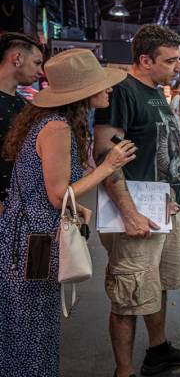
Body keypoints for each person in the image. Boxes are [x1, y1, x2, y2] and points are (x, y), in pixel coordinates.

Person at [0, 48, 135, 376]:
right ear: (81, 92)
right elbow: (59, 194)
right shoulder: (58, 128)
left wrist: (80, 210)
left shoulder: (49, 123)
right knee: (33, 326)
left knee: (24, 323)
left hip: (25, 235)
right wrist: (108, 166)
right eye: (101, 84)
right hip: (35, 241)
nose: (108, 89)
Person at [93, 24, 180, 377]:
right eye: (170, 61)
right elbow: (106, 154)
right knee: (128, 294)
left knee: (158, 285)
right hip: (136, 215)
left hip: (163, 208)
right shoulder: (122, 92)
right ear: (144, 59)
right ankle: (123, 371)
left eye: (178, 60)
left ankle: (158, 350)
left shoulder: (156, 91)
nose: (178, 68)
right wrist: (129, 212)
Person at [0, 32, 44, 210]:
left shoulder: (25, 105)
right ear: (17, 58)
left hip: (20, 208)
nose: (41, 72)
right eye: (37, 63)